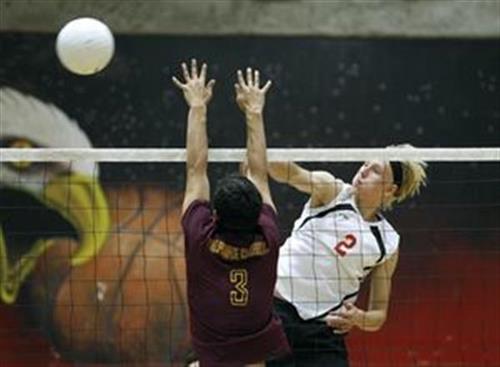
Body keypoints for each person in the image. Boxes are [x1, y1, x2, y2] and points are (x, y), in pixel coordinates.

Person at [173, 60, 290, 367]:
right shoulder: (269, 236)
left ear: (216, 215)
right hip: (254, 357)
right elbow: (260, 174)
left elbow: (196, 171)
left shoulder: (200, 235)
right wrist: (254, 112)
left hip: (211, 357)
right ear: (256, 213)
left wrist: (197, 106)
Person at [267, 149, 427, 366]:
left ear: (390, 189)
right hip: (276, 310)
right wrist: (265, 155)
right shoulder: (332, 191)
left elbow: (378, 315)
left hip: (323, 328)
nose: (364, 169)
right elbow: (291, 174)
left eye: (375, 170)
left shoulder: (387, 242)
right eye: (366, 164)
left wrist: (357, 318)